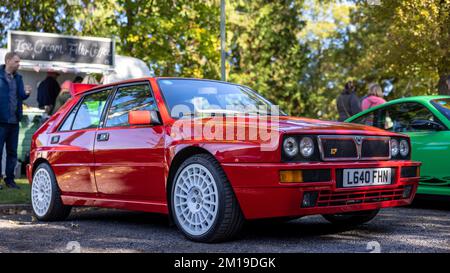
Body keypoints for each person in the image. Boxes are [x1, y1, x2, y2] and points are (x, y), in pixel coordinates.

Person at [0, 52, 32, 189]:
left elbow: (21, 96)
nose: (19, 64)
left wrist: (27, 93)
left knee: (12, 152)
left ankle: (10, 180)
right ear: (8, 61)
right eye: (16, 61)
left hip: (14, 121)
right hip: (1, 121)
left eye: (19, 62)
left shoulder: (18, 78)